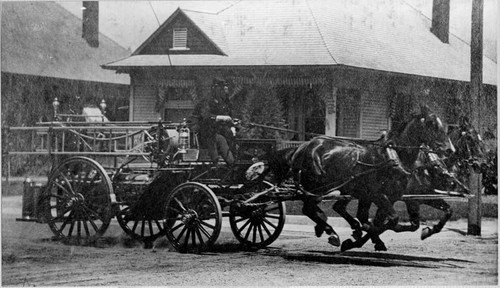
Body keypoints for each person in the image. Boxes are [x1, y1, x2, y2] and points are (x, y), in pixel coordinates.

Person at [191, 78, 236, 166]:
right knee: (220, 139)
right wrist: (220, 117)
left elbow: (230, 117)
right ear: (216, 89)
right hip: (204, 133)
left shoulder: (224, 102)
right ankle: (227, 163)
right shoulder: (207, 101)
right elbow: (205, 116)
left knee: (234, 137)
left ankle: (237, 161)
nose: (225, 92)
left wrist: (233, 126)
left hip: (219, 132)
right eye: (223, 89)